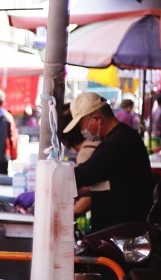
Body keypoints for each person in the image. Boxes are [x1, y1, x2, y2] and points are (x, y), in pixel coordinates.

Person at [64, 92, 155, 232]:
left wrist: (52, 181)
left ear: (96, 119)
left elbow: (83, 174)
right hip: (119, 226)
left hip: (121, 230)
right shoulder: (120, 137)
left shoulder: (118, 141)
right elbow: (110, 182)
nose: (83, 131)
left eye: (82, 126)